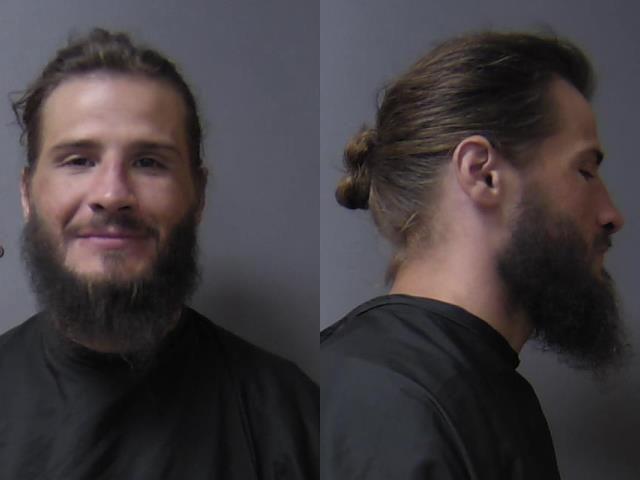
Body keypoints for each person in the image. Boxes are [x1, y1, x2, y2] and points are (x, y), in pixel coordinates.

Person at [0, 28, 317, 479]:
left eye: (148, 162)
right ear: (27, 194)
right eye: (79, 160)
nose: (112, 194)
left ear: (198, 194)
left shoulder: (290, 417)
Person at [321, 31, 626, 479]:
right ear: (482, 174)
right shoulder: (394, 404)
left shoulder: (474, 390)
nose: (613, 215)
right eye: (584, 171)